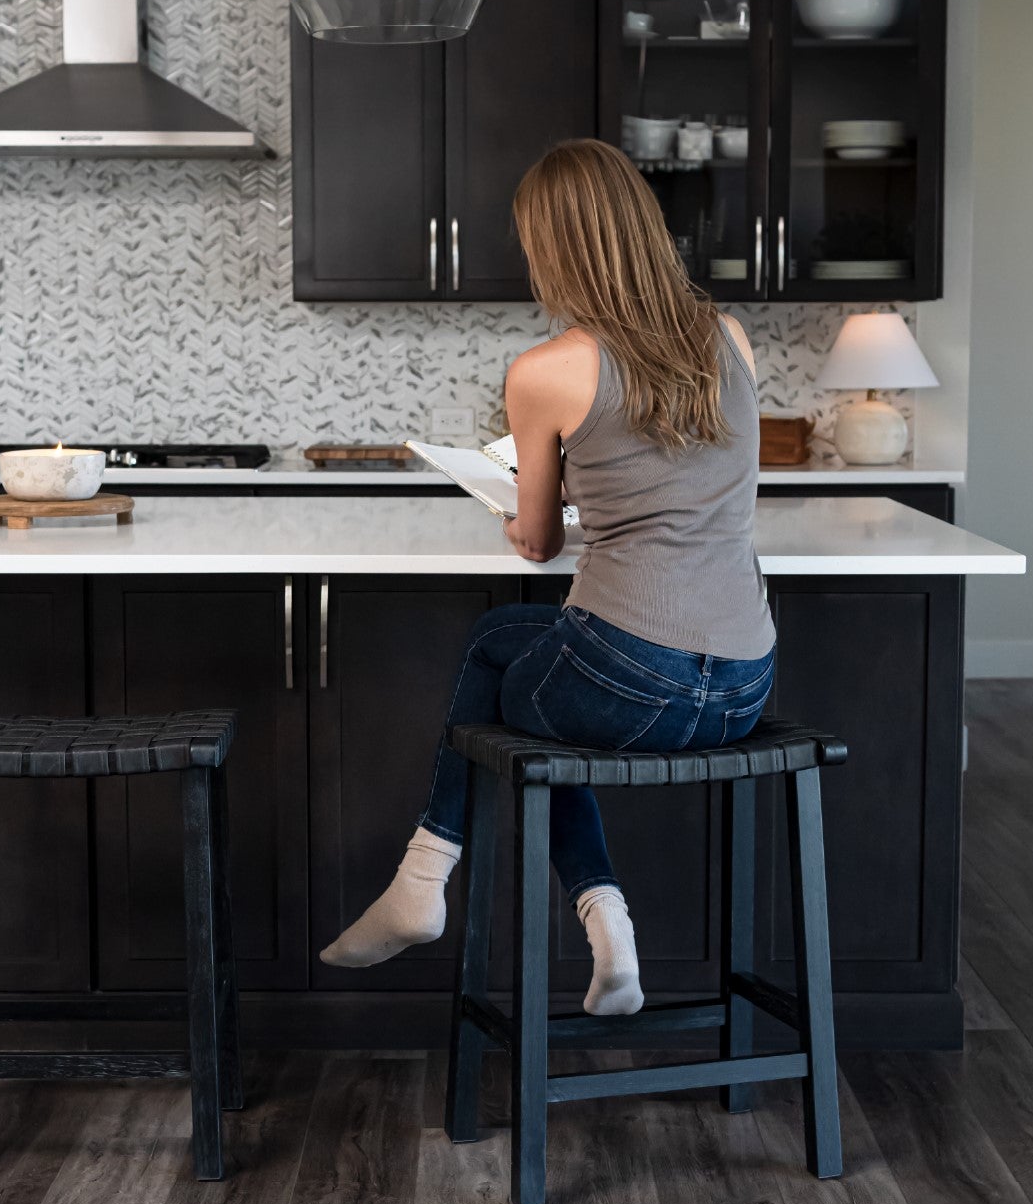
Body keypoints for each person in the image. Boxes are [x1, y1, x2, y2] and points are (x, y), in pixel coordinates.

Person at [320, 138, 777, 1015]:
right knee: (514, 651)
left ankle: (438, 880)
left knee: (504, 663)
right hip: (744, 687)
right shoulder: (728, 338)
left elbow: (537, 545)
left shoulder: (544, 371)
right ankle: (575, 924)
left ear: (555, 248)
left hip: (634, 685)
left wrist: (521, 511)